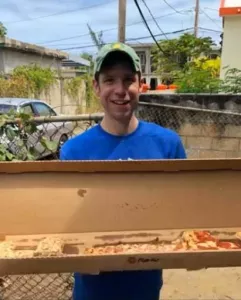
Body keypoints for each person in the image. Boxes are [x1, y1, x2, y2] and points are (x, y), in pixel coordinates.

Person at [60, 42, 186, 300]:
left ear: (140, 84)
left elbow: (183, 214)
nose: (120, 90)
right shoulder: (74, 152)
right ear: (96, 87)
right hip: (93, 288)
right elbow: (68, 225)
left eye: (128, 79)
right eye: (109, 80)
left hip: (145, 285)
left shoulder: (167, 144)